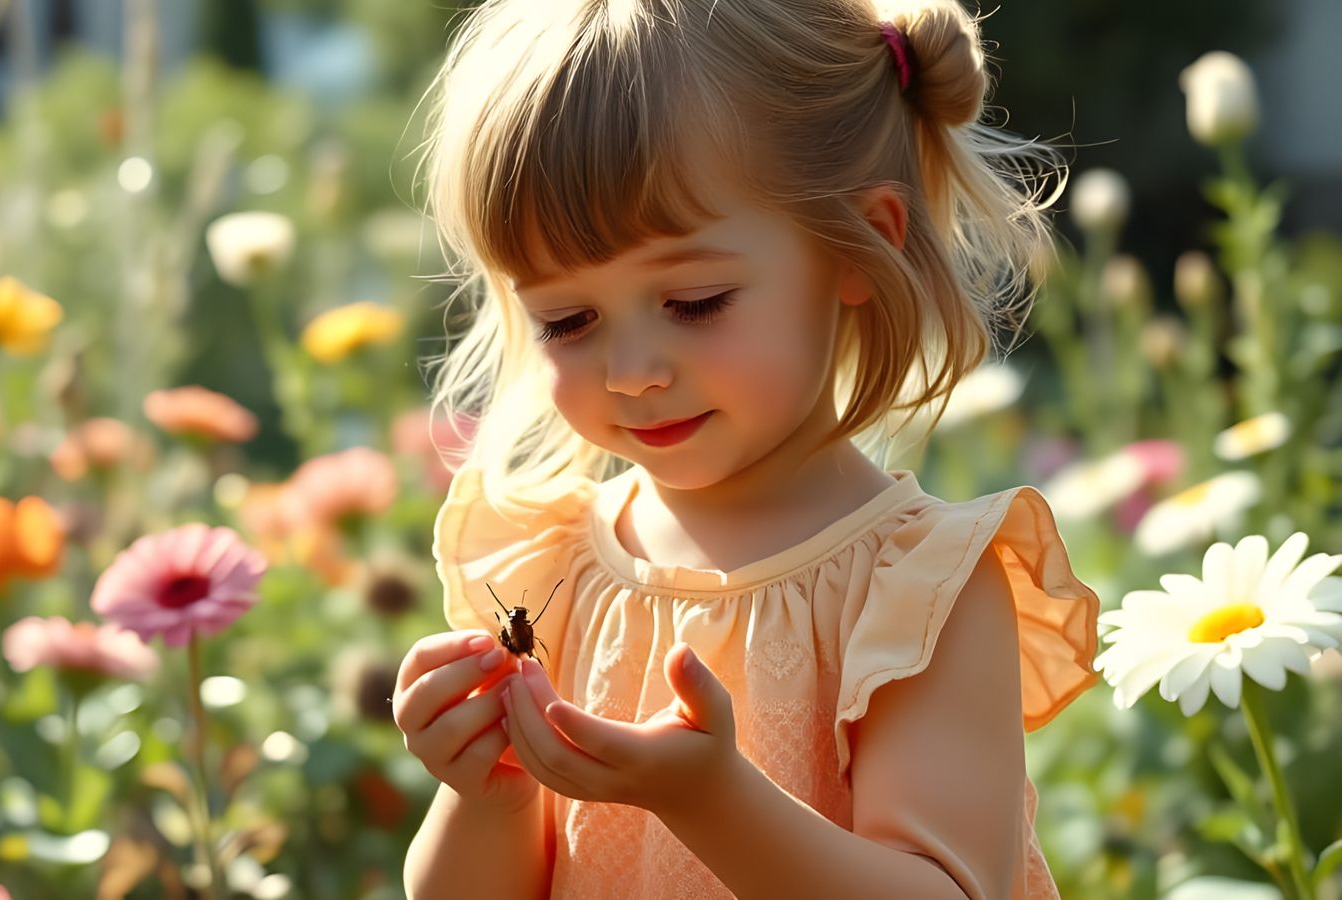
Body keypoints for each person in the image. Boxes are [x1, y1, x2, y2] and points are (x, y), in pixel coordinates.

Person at [391, 1, 1099, 897]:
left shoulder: (915, 595)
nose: (634, 371)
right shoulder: (553, 569)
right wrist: (486, 798)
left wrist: (713, 800)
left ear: (859, 246)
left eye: (694, 302)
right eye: (567, 321)